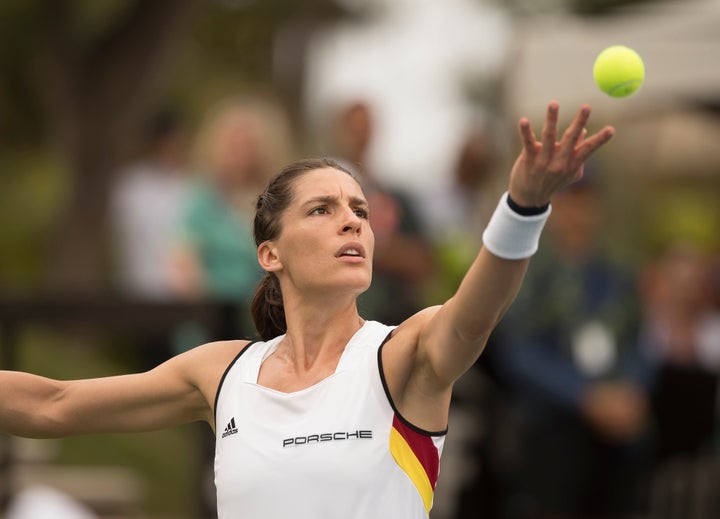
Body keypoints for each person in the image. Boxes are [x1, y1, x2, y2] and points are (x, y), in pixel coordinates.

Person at [0, 102, 614, 518]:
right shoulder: (221, 372)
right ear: (271, 252)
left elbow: (477, 312)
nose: (352, 219)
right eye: (321, 209)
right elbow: (54, 404)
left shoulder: (403, 354)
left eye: (360, 210)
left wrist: (523, 207)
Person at [488, 172, 653, 518]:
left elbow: (641, 341)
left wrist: (632, 391)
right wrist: (583, 397)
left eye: (587, 203)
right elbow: (517, 352)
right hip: (551, 427)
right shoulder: (530, 272)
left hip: (614, 435)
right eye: (571, 202)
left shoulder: (616, 274)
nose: (580, 213)